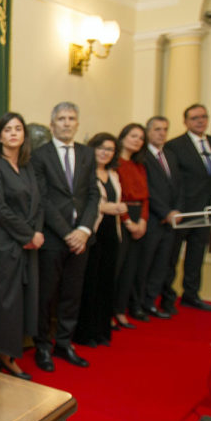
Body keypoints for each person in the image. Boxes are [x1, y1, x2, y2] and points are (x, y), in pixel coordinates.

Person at [30, 102, 100, 371]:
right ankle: (43, 348)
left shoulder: (87, 154)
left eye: (72, 118)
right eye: (62, 118)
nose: (67, 123)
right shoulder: (40, 155)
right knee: (47, 296)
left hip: (82, 239)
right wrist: (68, 233)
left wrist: (83, 230)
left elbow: (93, 194)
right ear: (52, 124)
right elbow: (42, 199)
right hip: (53, 238)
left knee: (73, 293)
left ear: (77, 124)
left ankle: (63, 343)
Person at [0, 113, 44, 381]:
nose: (14, 133)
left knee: (19, 304)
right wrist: (27, 234)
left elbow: (39, 203)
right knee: (0, 303)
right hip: (3, 246)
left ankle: (10, 357)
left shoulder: (27, 166)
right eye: (8, 129)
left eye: (18, 129)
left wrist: (37, 232)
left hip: (27, 244)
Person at [163, 104, 211, 312]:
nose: (200, 121)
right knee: (172, 256)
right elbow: (173, 180)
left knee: (196, 254)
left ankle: (191, 294)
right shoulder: (175, 145)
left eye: (204, 117)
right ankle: (167, 296)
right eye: (195, 118)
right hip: (183, 209)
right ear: (185, 121)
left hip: (206, 210)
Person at [73, 133, 126, 346]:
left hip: (112, 232)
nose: (105, 153)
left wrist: (118, 209)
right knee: (90, 283)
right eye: (101, 148)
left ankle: (102, 331)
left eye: (110, 149)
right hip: (92, 232)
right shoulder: (84, 173)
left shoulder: (113, 174)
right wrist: (107, 208)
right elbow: (83, 202)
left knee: (106, 282)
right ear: (92, 149)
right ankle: (86, 333)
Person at [139, 116, 183, 316]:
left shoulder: (171, 156)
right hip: (153, 220)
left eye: (165, 129)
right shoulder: (142, 157)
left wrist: (176, 210)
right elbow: (147, 189)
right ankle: (138, 303)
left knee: (162, 265)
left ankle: (151, 302)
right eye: (157, 129)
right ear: (148, 132)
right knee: (145, 264)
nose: (162, 133)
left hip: (170, 222)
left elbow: (179, 187)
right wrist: (165, 212)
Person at [112, 123, 151, 325]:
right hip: (120, 216)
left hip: (139, 216)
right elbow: (117, 197)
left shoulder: (140, 165)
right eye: (133, 136)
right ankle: (109, 312)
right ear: (123, 137)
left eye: (141, 138)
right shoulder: (115, 163)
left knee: (131, 268)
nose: (137, 140)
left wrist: (142, 221)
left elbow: (146, 197)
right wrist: (128, 223)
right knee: (117, 267)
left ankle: (120, 310)